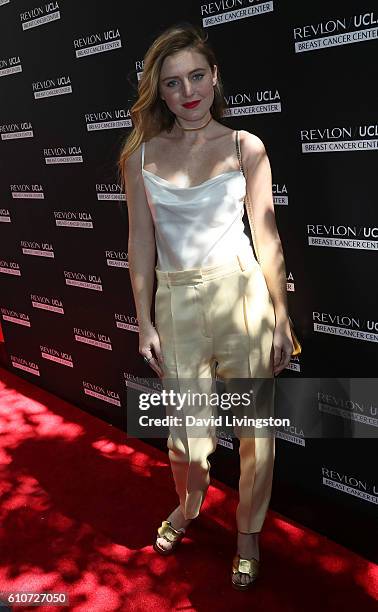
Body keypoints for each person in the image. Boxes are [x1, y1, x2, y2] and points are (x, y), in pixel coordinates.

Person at [118, 23, 293, 590]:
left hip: (243, 295)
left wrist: (281, 318)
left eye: (197, 76)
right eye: (173, 82)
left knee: (254, 429)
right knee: (186, 435)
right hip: (176, 300)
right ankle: (190, 508)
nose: (188, 91)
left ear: (215, 78)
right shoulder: (140, 156)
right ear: (159, 91)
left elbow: (267, 239)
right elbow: (140, 241)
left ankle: (248, 531)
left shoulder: (246, 147)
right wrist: (144, 319)